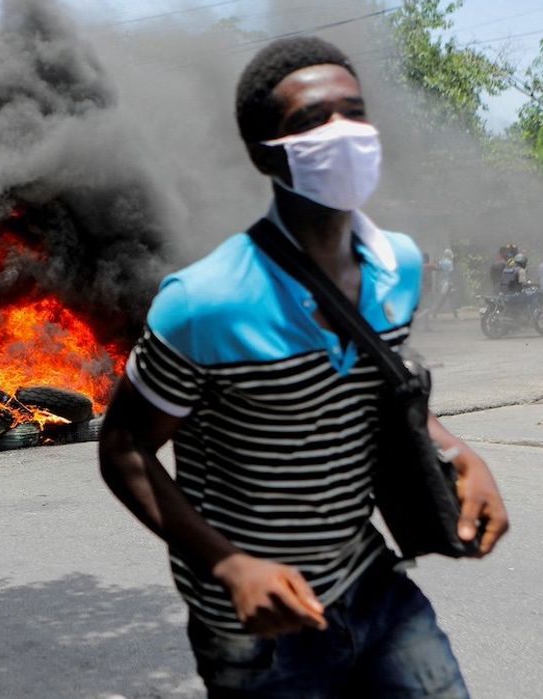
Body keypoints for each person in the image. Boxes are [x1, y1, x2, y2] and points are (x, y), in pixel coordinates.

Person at [99, 37, 508, 697]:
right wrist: (230, 566)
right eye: (313, 120)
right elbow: (123, 447)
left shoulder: (399, 265)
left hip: (368, 580)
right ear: (266, 152)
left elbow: (378, 392)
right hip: (257, 626)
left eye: (354, 112)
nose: (343, 132)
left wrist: (462, 454)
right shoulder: (205, 300)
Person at [432, 248, 459, 320]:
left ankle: (435, 314)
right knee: (449, 300)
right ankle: (456, 316)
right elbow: (450, 273)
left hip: (442, 283)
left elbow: (438, 271)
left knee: (444, 300)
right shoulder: (449, 263)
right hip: (447, 283)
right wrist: (452, 283)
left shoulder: (441, 262)